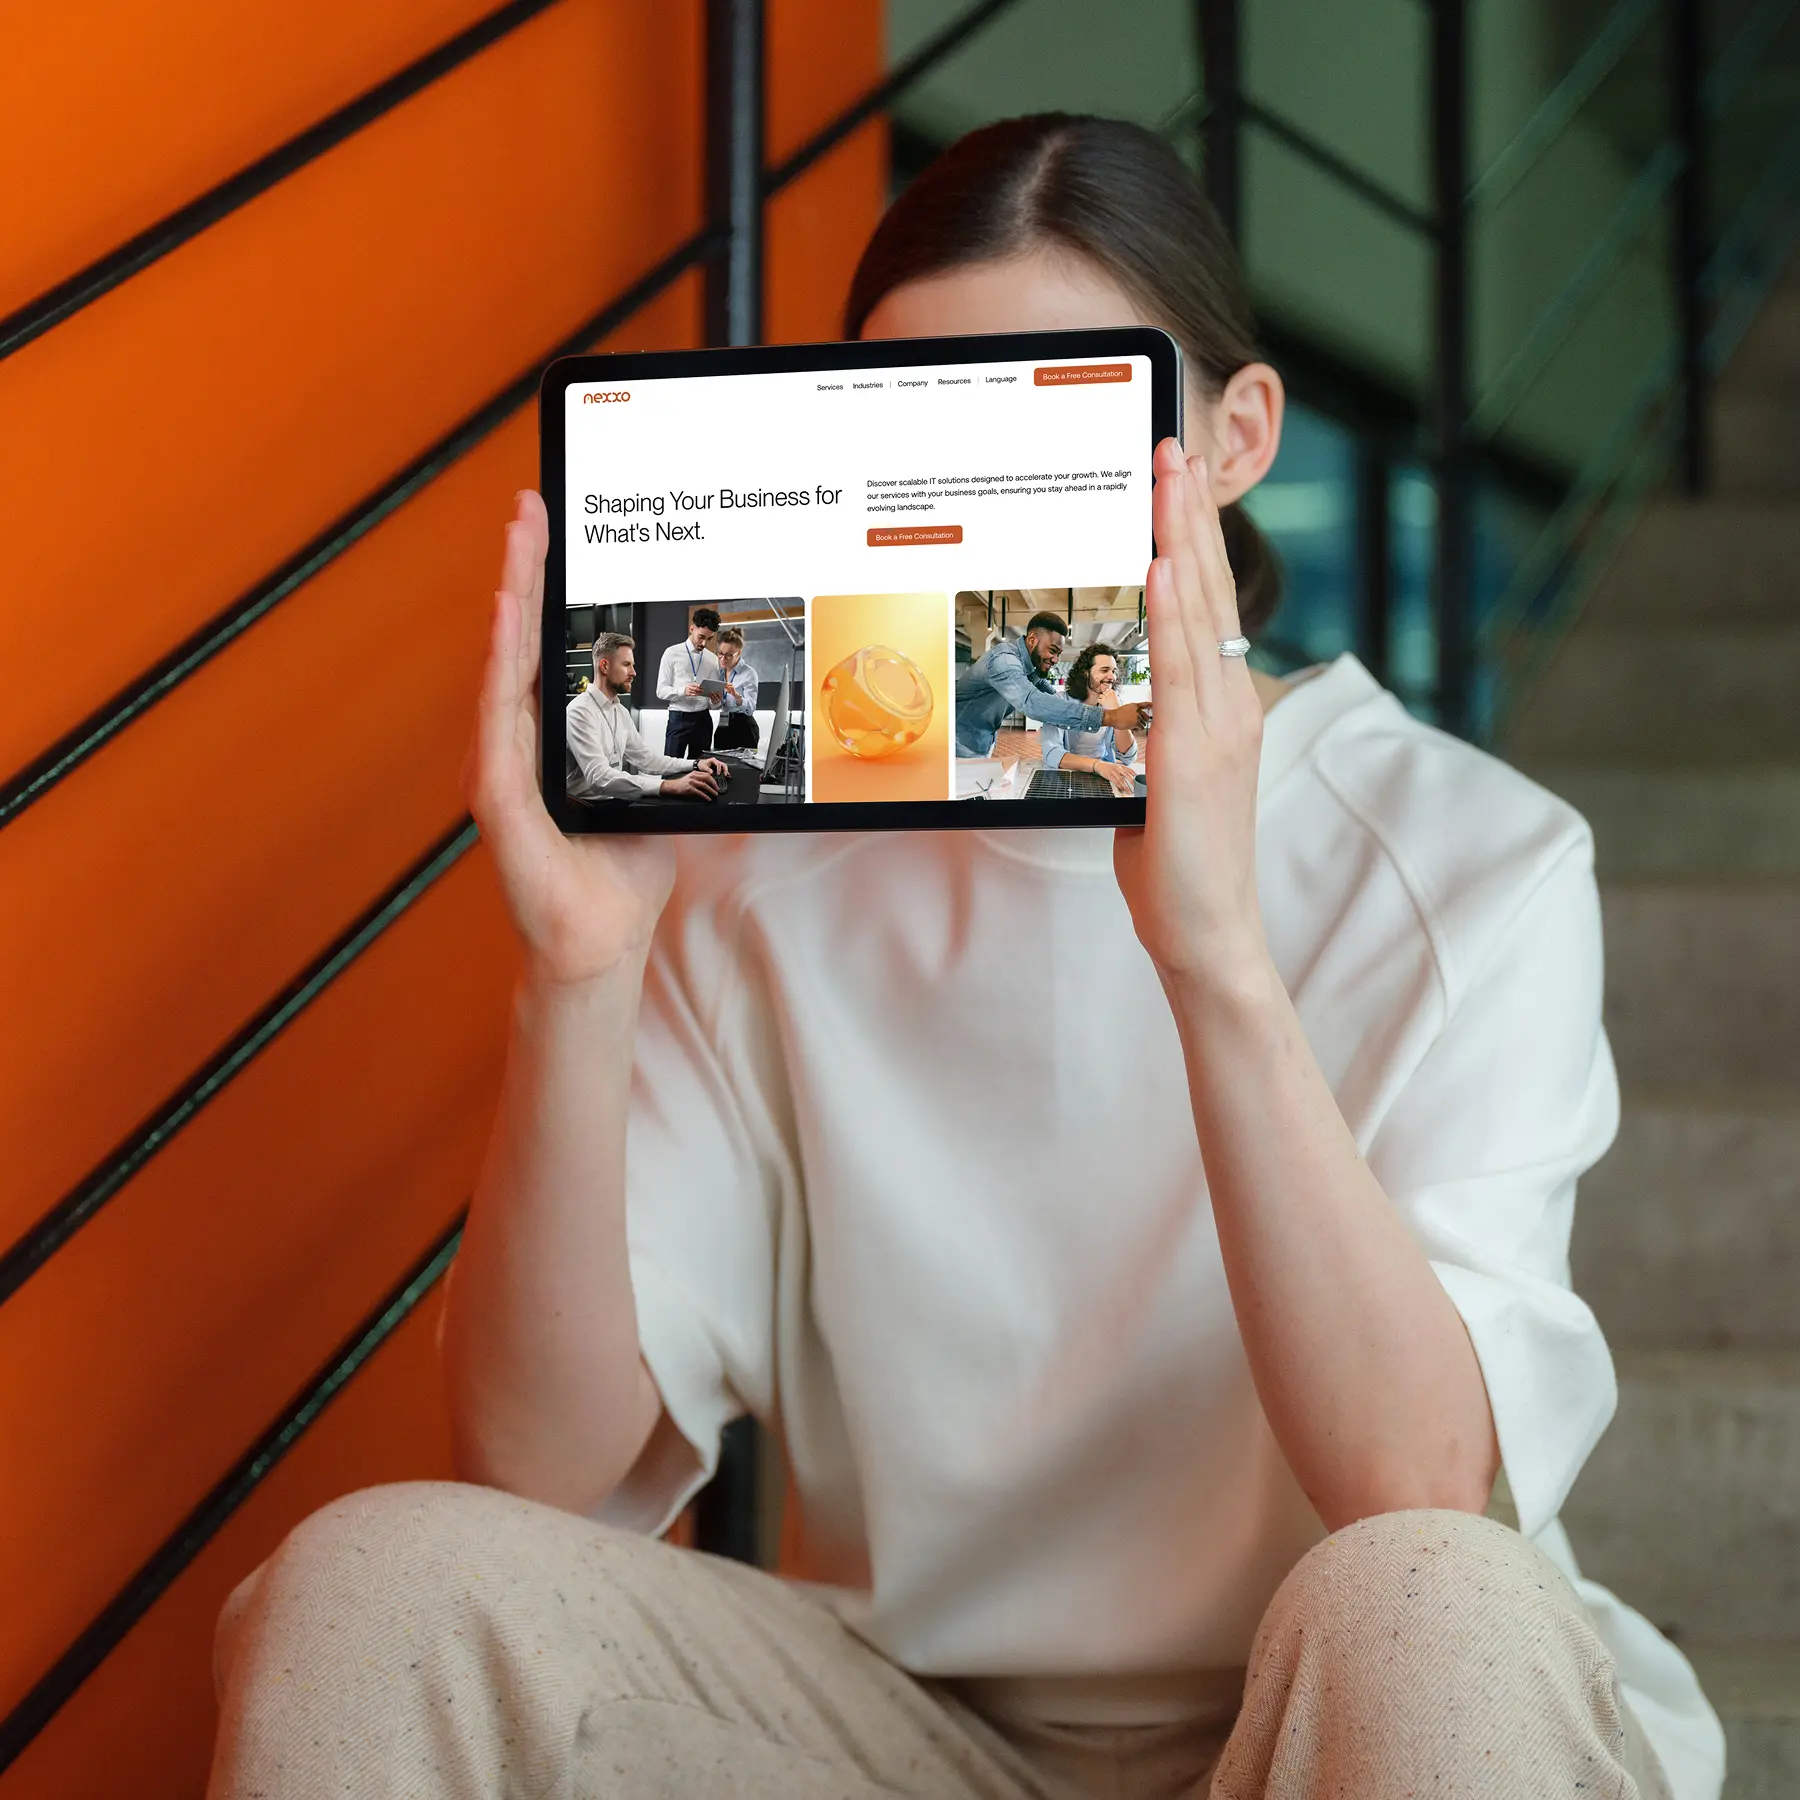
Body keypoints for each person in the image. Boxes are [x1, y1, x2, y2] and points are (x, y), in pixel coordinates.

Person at [208, 115, 1722, 1800]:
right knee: (377, 1579)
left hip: (1348, 1714)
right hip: (909, 1735)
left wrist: (1214, 951)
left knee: (1439, 1597)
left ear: (1235, 441)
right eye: (919, 441)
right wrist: (583, 973)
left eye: (1052, 433)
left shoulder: (1476, 863)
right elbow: (532, 1478)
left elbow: (1421, 1481)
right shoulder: (755, 893)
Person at [954, 607, 1146, 756]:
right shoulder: (1005, 660)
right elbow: (1033, 703)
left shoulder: (1031, 667)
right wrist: (1111, 717)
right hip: (960, 740)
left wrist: (1081, 702)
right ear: (1032, 640)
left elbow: (1054, 697)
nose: (1055, 660)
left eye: (1058, 654)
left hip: (983, 739)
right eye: (1052, 651)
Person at [566, 631, 729, 803]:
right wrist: (669, 785)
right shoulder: (579, 711)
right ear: (604, 666)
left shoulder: (620, 711)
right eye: (626, 665)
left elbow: (647, 759)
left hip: (614, 799)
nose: (634, 672)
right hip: (587, 808)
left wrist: (695, 764)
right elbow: (599, 778)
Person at [1037, 642, 1141, 794]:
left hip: (1100, 778)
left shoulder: (1114, 703)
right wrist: (1097, 765)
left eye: (1114, 671)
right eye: (1104, 670)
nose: (1112, 677)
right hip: (1066, 777)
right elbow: (1051, 753)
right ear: (1086, 672)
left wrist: (1116, 712)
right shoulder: (1060, 702)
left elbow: (1128, 757)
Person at [655, 606, 722, 759]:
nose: (704, 643)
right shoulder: (671, 653)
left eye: (709, 638)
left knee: (701, 772)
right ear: (692, 628)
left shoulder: (712, 659)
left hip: (703, 720)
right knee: (671, 769)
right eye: (701, 637)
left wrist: (716, 701)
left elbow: (714, 703)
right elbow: (661, 690)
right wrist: (683, 691)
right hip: (678, 718)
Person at [711, 625, 760, 753]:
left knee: (743, 770)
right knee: (719, 766)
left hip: (745, 727)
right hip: (724, 724)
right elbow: (719, 704)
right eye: (720, 653)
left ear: (739, 653)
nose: (723, 659)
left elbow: (750, 708)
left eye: (728, 655)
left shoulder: (749, 673)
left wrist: (737, 697)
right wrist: (715, 701)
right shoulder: (719, 673)